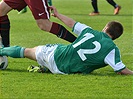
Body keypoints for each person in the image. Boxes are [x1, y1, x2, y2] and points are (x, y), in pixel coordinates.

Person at [0, 6, 133, 75]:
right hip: (64, 71)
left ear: (105, 28)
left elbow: (72, 23)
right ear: (116, 37)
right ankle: (45, 68)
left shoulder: (89, 31)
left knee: (26, 51)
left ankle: (1, 50)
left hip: (56, 54)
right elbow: (121, 70)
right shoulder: (112, 49)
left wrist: (57, 14)